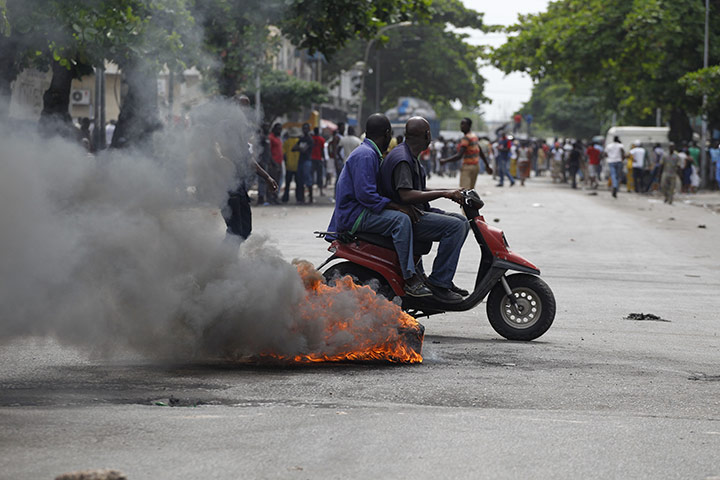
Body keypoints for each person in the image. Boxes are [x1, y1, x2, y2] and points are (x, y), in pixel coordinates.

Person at [327, 113, 431, 297]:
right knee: (401, 220)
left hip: (360, 210)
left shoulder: (372, 153)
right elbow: (367, 196)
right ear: (387, 133)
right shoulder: (366, 155)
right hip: (355, 215)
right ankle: (409, 278)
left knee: (409, 218)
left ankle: (417, 271)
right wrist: (399, 207)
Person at [378, 117, 469, 302]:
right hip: (408, 216)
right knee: (456, 227)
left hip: (416, 211)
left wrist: (448, 191)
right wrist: (444, 193)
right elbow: (406, 195)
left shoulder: (409, 155)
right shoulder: (403, 159)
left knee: (463, 222)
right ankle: (440, 283)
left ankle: (442, 279)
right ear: (427, 135)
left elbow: (415, 189)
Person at [440, 118, 492, 190]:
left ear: (469, 125)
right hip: (476, 167)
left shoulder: (466, 138)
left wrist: (445, 161)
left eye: (463, 124)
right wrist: (487, 165)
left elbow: (459, 155)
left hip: (467, 167)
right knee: (470, 191)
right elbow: (480, 151)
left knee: (464, 191)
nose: (461, 126)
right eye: (461, 124)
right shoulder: (474, 136)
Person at [292, 123, 313, 203]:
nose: (305, 130)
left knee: (308, 180)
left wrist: (299, 148)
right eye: (304, 128)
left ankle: (310, 197)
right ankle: (302, 198)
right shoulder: (301, 139)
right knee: (300, 180)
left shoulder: (310, 139)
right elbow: (293, 148)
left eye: (306, 128)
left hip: (307, 161)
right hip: (301, 161)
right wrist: (300, 148)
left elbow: (304, 150)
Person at [281, 128, 302, 203]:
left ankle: (285, 198)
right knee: (298, 183)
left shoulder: (286, 142)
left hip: (289, 166)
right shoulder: (299, 142)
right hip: (297, 165)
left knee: (287, 183)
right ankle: (299, 198)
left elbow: (284, 154)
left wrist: (286, 162)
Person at [267, 123, 284, 204]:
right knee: (272, 181)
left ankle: (275, 197)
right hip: (273, 163)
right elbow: (269, 151)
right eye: (278, 129)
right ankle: (270, 198)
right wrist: (272, 162)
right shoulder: (271, 137)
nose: (280, 130)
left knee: (278, 181)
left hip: (279, 162)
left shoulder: (278, 138)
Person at [310, 127, 326, 197]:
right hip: (319, 159)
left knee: (311, 176)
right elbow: (322, 150)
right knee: (320, 176)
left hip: (312, 158)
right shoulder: (321, 139)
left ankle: (310, 193)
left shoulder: (311, 138)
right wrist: (324, 158)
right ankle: (321, 191)